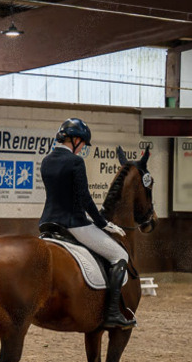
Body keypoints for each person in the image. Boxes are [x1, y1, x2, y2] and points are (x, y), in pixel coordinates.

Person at [39, 118, 134, 329]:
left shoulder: (46, 161)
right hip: (74, 224)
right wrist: (102, 223)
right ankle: (112, 313)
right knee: (120, 255)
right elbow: (84, 198)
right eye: (82, 144)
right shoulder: (75, 162)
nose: (83, 148)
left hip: (47, 223)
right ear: (75, 140)